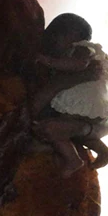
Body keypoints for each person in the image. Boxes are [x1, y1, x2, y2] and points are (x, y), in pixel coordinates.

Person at [0, 0, 101, 216]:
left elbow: (89, 115)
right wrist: (60, 95)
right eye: (21, 25)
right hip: (27, 202)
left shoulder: (50, 61)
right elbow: (5, 138)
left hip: (74, 198)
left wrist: (83, 126)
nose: (31, 33)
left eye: (35, 23)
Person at [35, 13, 108, 176]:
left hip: (83, 105)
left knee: (58, 128)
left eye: (62, 35)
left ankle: (73, 159)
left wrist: (50, 62)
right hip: (88, 110)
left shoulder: (81, 49)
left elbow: (80, 64)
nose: (57, 40)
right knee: (62, 128)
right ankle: (96, 151)